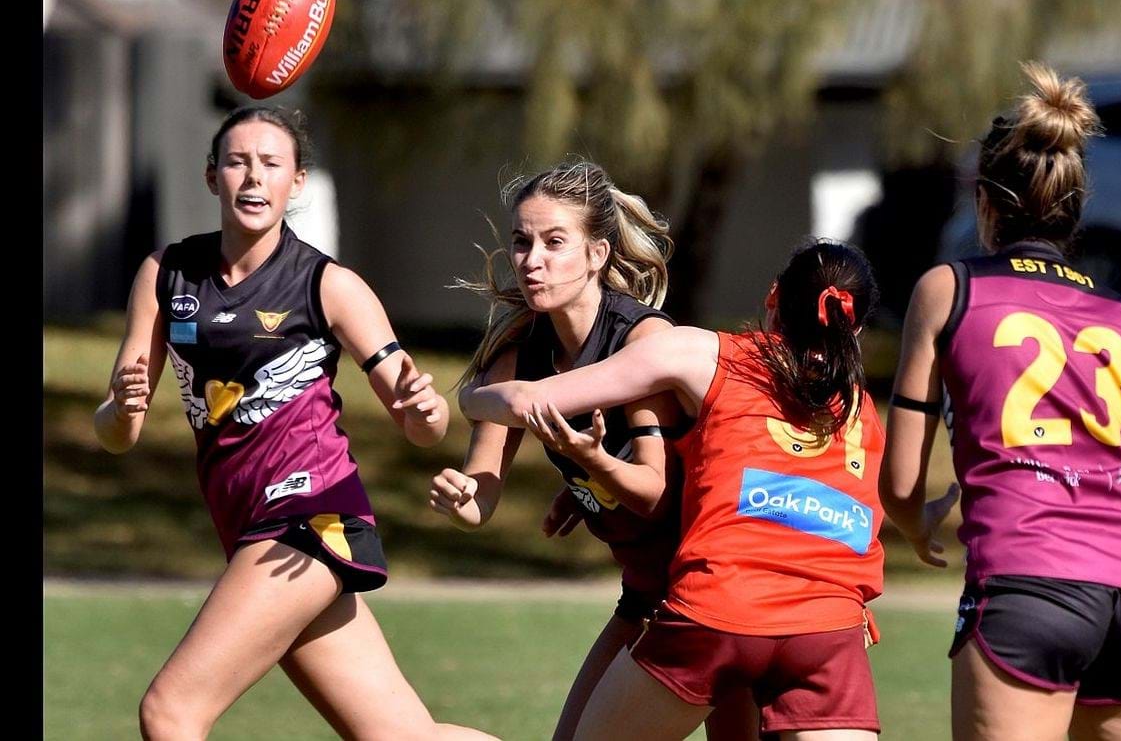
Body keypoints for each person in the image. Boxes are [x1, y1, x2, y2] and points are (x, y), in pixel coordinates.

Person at [94, 105, 495, 740]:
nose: (253, 178)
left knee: (170, 712)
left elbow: (426, 426)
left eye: (271, 164)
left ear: (298, 182)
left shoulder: (328, 284)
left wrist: (425, 408)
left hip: (310, 519)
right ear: (210, 177)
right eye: (237, 162)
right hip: (251, 530)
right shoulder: (165, 275)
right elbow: (120, 433)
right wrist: (121, 405)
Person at [878, 62, 1121, 741]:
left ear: (986, 202)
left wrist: (916, 524)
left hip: (1025, 589)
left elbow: (901, 482)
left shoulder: (948, 288)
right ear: (1075, 206)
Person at [458, 239, 887, 741]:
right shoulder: (864, 411)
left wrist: (467, 397)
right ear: (853, 329)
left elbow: (529, 401)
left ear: (773, 298)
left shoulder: (703, 353)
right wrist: (591, 483)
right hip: (830, 632)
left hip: (718, 614)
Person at [430, 160, 759, 740]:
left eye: (555, 242)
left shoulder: (640, 341)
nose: (532, 260)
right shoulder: (516, 353)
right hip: (646, 594)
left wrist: (591, 465)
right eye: (522, 242)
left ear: (597, 254)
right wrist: (463, 497)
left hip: (710, 594)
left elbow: (656, 497)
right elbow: (481, 497)